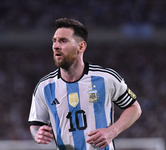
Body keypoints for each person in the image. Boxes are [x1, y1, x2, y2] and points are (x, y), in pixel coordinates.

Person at [28, 18, 142, 150]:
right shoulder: (44, 87)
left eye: (63, 41)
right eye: (54, 41)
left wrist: (113, 131)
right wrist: (37, 134)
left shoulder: (106, 78)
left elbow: (134, 108)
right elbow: (36, 124)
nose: (56, 46)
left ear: (81, 47)